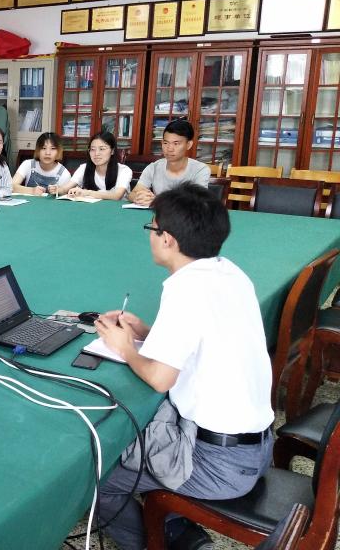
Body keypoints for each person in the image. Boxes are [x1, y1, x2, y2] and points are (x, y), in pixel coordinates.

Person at [94, 183, 273, 550]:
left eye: (152, 228)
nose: (150, 236)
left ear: (168, 240)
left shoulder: (185, 289)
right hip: (257, 447)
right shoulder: (230, 272)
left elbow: (160, 379)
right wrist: (148, 333)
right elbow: (206, 338)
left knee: (98, 483)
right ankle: (178, 530)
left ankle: (152, 544)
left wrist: (125, 348)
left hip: (218, 462)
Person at [129, 119, 210, 207]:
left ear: (189, 145)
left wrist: (158, 201)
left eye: (176, 144)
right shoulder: (153, 167)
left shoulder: (200, 170)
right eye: (166, 143)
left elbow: (199, 202)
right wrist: (139, 198)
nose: (170, 149)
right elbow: (133, 193)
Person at [54, 131, 133, 200]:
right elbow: (65, 189)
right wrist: (57, 189)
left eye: (102, 149)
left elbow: (116, 195)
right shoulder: (84, 168)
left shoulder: (124, 171)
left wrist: (87, 192)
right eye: (92, 149)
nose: (96, 154)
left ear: (112, 151)